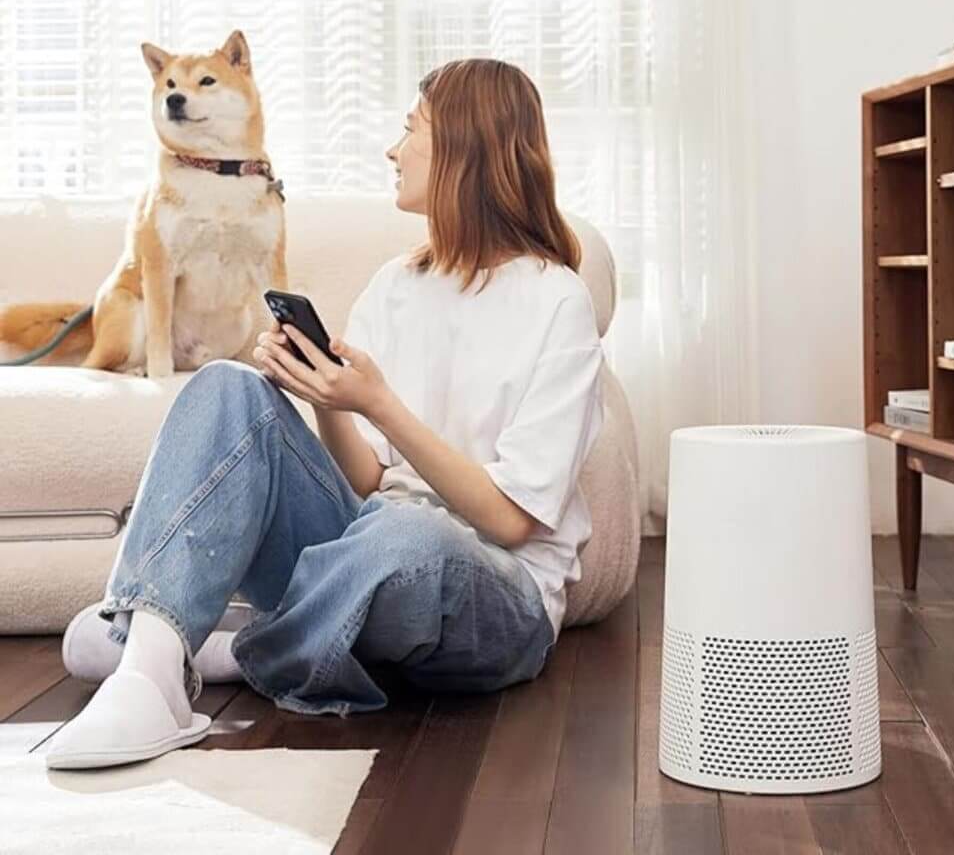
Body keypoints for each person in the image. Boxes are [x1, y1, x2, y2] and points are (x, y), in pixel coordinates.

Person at [47, 58, 605, 770]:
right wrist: (328, 398)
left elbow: (511, 521)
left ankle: (233, 648)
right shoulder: (398, 283)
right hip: (370, 546)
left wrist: (378, 402)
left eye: (411, 132)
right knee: (230, 386)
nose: (393, 150)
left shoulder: (557, 302)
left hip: (495, 595)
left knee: (413, 532)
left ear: (465, 149)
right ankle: (151, 669)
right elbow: (368, 482)